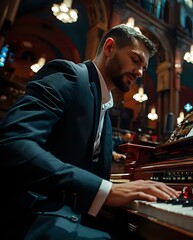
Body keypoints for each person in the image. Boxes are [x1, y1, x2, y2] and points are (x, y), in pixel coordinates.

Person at [0, 24, 180, 239]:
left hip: (67, 211)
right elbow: (13, 144)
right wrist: (107, 190)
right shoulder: (69, 76)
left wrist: (124, 188)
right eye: (135, 59)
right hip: (31, 214)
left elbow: (84, 168)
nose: (140, 72)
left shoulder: (105, 107)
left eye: (144, 67)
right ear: (110, 47)